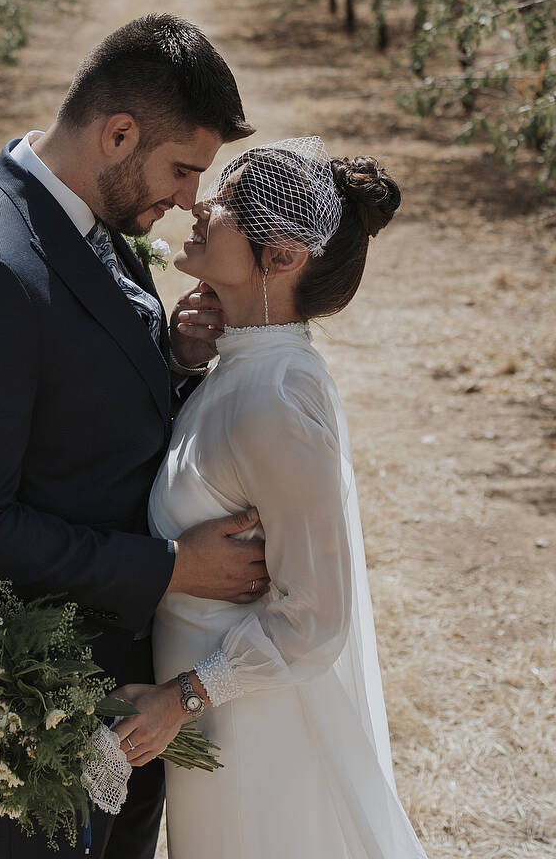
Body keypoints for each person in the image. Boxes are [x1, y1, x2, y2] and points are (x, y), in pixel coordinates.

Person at [0, 14, 271, 859]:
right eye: (182, 170)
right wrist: (173, 567)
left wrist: (171, 359)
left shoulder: (87, 212)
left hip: (131, 683)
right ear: (119, 133)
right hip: (40, 692)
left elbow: (78, 403)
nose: (186, 200)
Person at [114, 137, 427, 858]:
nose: (197, 203)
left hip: (257, 734)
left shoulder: (277, 399)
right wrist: (186, 361)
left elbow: (316, 618)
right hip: (222, 726)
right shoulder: (241, 369)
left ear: (283, 256)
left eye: (226, 202)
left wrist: (181, 698)